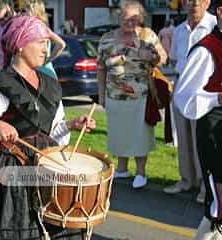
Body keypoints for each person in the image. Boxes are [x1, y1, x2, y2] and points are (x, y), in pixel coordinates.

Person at [0, 16, 95, 239]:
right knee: (17, 228)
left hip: (47, 164)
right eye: (39, 42)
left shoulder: (50, 84)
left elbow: (50, 132)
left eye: (47, 42)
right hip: (13, 172)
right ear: (19, 44)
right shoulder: (1, 84)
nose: (45, 49)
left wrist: (70, 125)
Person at [97, 0, 166, 189]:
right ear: (118, 17)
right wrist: (101, 95)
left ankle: (141, 173)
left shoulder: (148, 36)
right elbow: (101, 69)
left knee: (139, 137)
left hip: (140, 97)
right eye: (125, 18)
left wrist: (151, 57)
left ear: (141, 19)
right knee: (119, 135)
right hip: (114, 97)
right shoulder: (106, 39)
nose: (129, 22)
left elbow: (163, 58)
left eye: (134, 18)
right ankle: (122, 169)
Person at [173, 2, 222, 238]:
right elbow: (184, 97)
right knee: (217, 207)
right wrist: (217, 98)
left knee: (216, 211)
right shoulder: (206, 49)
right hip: (215, 132)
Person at [163, 0, 216, 204]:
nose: (194, 4)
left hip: (204, 89)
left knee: (202, 139)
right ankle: (187, 180)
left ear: (207, 2)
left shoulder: (214, 25)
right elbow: (175, 57)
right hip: (181, 85)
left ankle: (205, 185)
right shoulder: (178, 30)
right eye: (189, 0)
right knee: (183, 137)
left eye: (199, 0)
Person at [21, 0, 66, 80]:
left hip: (42, 74)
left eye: (24, 11)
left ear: (33, 12)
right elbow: (61, 44)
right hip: (40, 73)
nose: (22, 14)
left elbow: (61, 44)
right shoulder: (41, 28)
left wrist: (48, 59)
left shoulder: (41, 28)